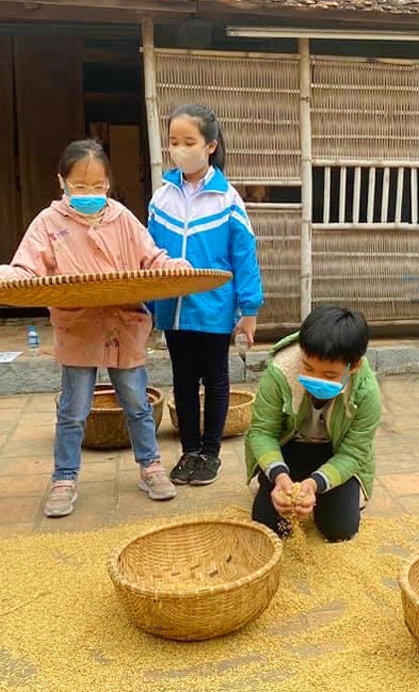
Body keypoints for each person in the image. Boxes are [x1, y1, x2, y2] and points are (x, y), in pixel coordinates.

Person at [0, 140, 189, 517]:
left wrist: (173, 267)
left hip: (124, 325)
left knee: (137, 404)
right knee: (73, 409)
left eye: (98, 186)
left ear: (109, 183)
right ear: (61, 182)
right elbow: (27, 266)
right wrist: (7, 276)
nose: (90, 193)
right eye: (80, 187)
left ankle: (151, 467)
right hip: (77, 327)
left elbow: (151, 258)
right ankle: (64, 479)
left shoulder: (122, 218)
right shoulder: (48, 223)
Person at [147, 104, 263, 487]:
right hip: (173, 310)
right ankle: (188, 452)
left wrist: (249, 310)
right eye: (173, 142)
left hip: (215, 308)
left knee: (215, 380)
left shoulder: (227, 199)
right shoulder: (161, 199)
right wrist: (147, 307)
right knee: (182, 382)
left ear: (210, 146)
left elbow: (244, 256)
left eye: (189, 142)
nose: (179, 149)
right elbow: (147, 254)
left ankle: (210, 453)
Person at [245, 306, 380, 543]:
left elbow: (353, 452)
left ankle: (336, 494)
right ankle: (271, 484)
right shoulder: (279, 372)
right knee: (269, 526)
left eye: (329, 375)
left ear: (354, 366)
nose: (315, 379)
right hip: (289, 447)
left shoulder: (366, 393)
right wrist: (279, 476)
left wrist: (315, 483)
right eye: (307, 367)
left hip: (333, 452)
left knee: (340, 531)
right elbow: (262, 432)